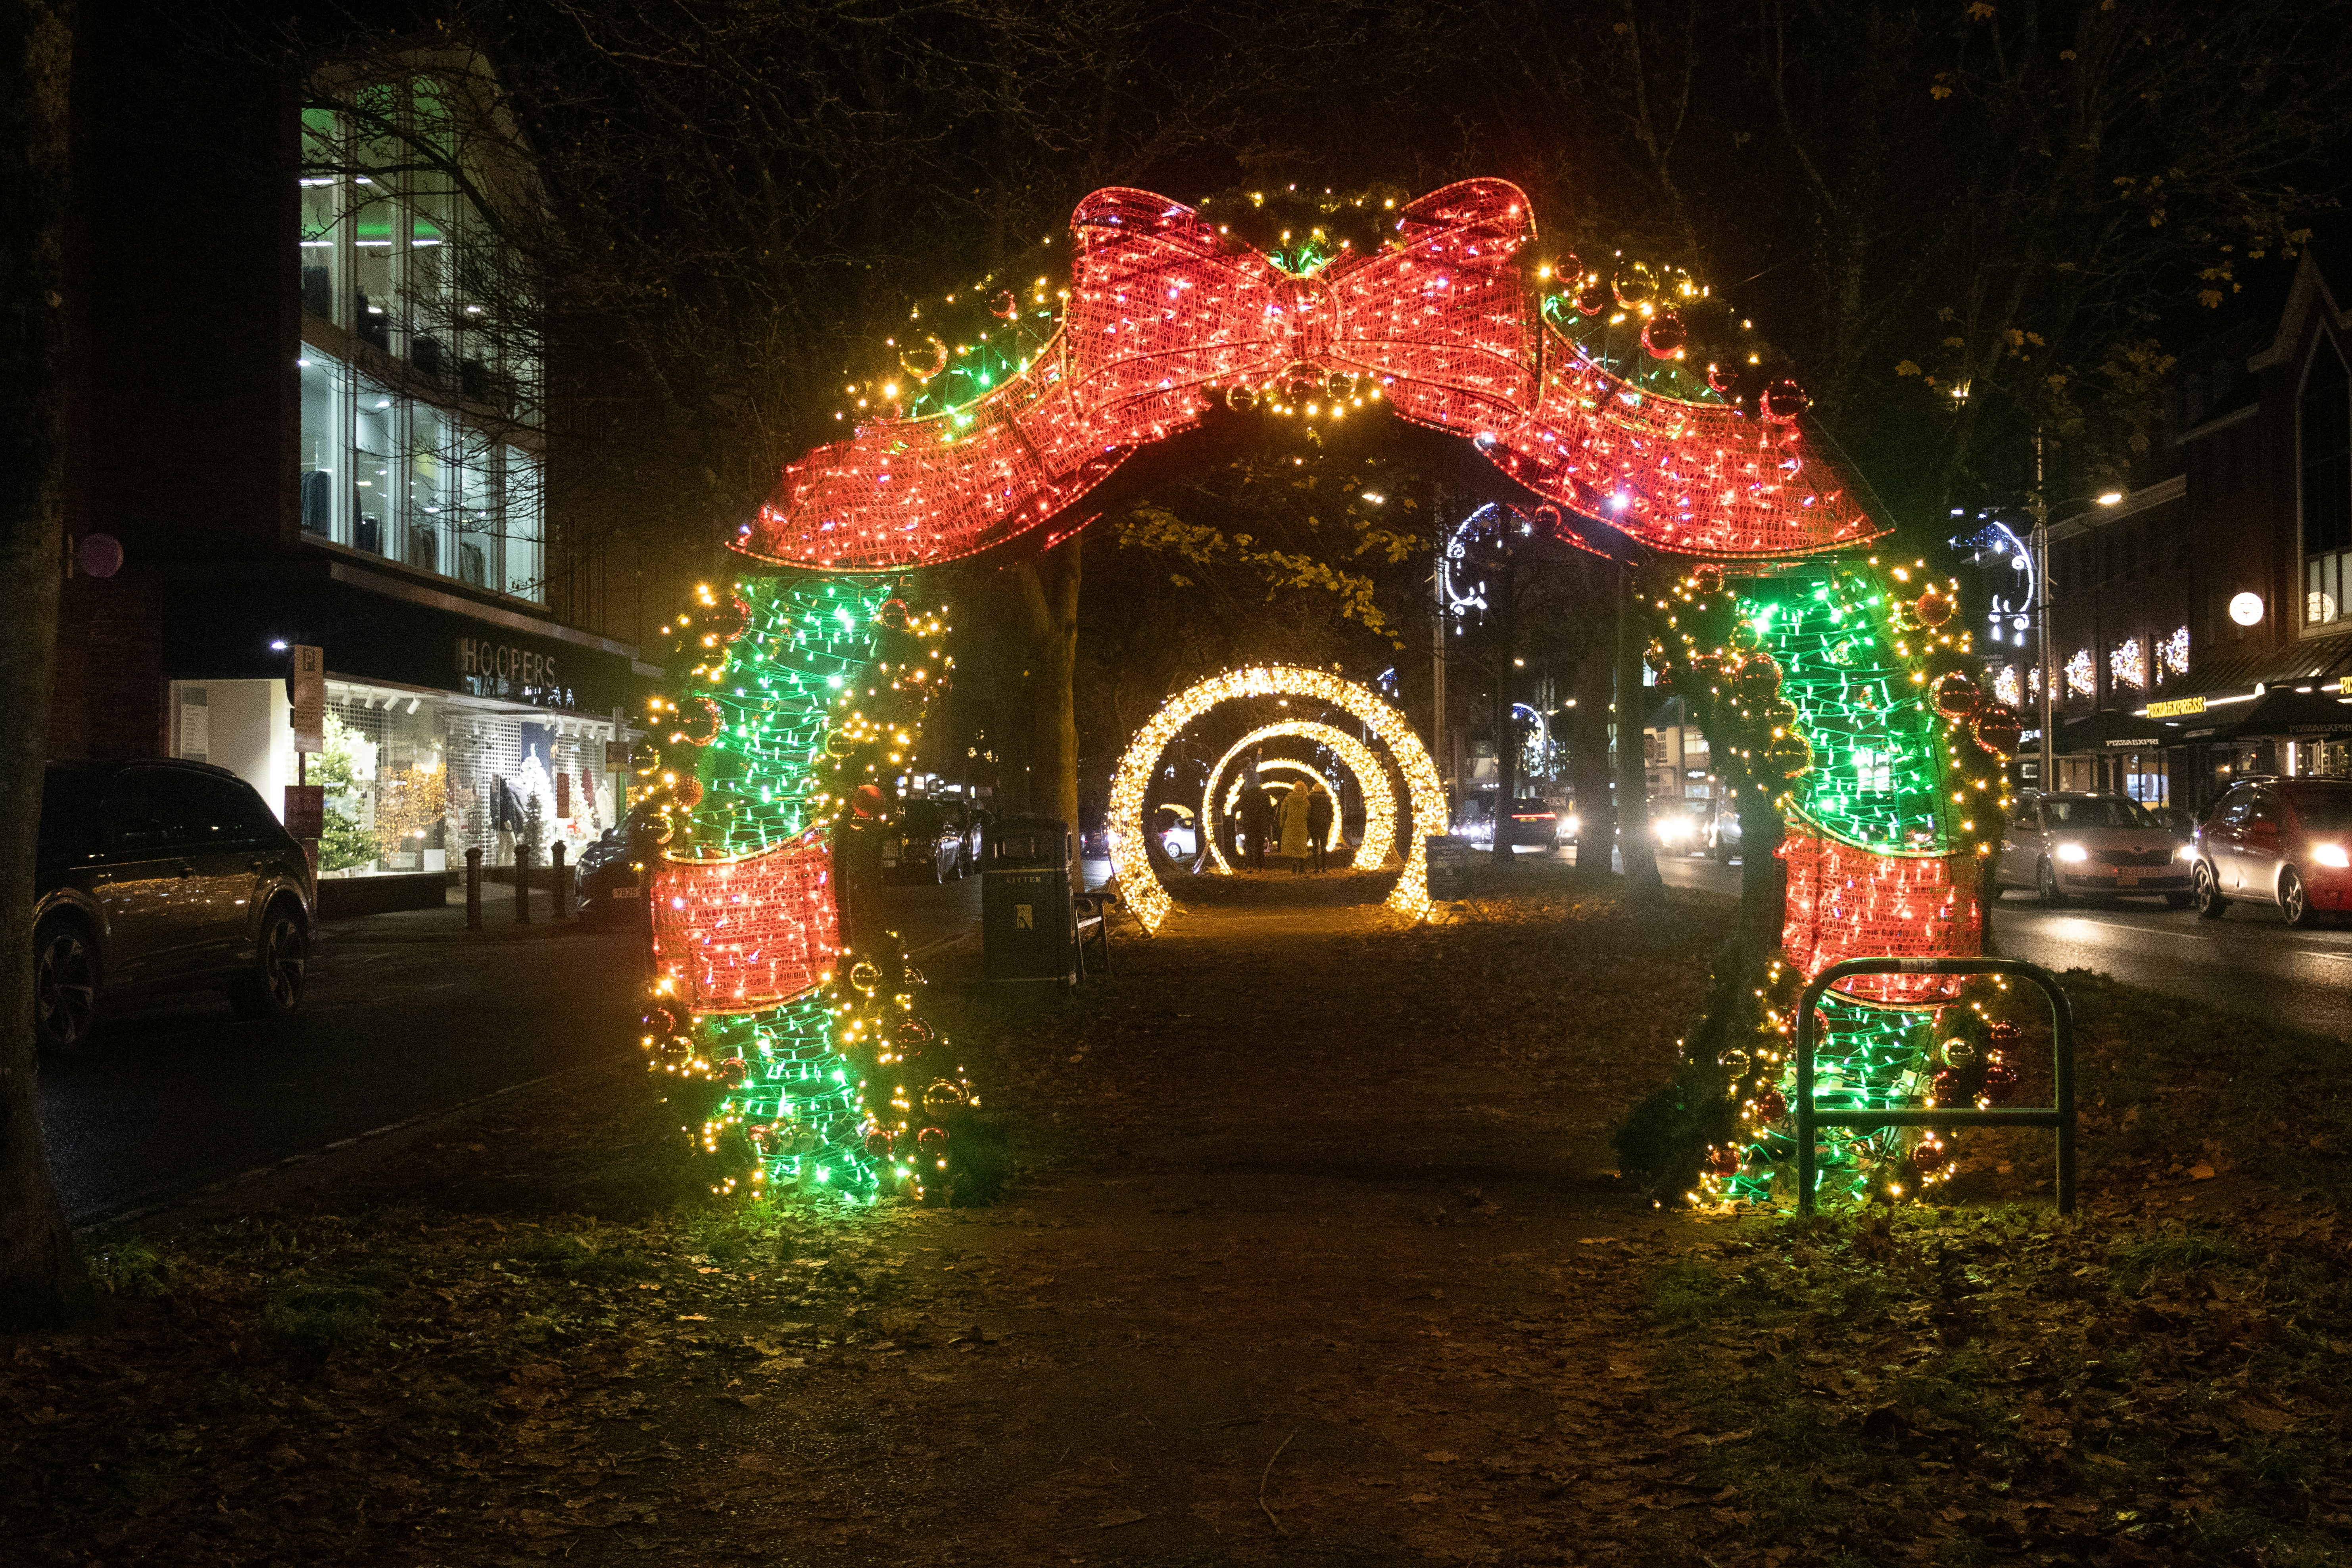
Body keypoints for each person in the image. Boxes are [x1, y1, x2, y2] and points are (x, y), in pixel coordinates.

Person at [1238, 777, 1273, 870]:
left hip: (1248, 822)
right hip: (1260, 822)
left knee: (1249, 844)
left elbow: (1238, 807)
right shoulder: (1265, 795)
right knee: (1259, 844)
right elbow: (1270, 810)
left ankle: (1250, 864)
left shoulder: (1244, 795)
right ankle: (1260, 864)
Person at [1278, 781, 1312, 872]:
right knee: (1301, 846)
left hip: (1290, 826)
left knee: (1293, 846)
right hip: (1302, 826)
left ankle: (1294, 862)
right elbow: (1309, 814)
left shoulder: (1288, 799)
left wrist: (1282, 824)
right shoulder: (1306, 801)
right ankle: (1302, 867)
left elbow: (1283, 812)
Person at [1307, 781, 1334, 872]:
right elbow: (1331, 814)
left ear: (1314, 789)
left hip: (1313, 825)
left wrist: (1309, 822)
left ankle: (1316, 867)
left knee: (1315, 846)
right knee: (1323, 846)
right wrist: (1329, 823)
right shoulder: (1328, 799)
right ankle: (1324, 867)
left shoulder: (1310, 798)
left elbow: (1308, 811)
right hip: (1324, 825)